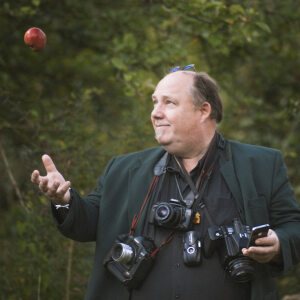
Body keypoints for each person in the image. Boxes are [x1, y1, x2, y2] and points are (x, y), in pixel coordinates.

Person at [31, 68, 300, 300]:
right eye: (154, 102)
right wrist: (63, 200)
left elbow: (294, 228)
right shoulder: (123, 169)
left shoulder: (261, 164)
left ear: (203, 110)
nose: (155, 113)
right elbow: (88, 223)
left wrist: (278, 244)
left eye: (169, 102)